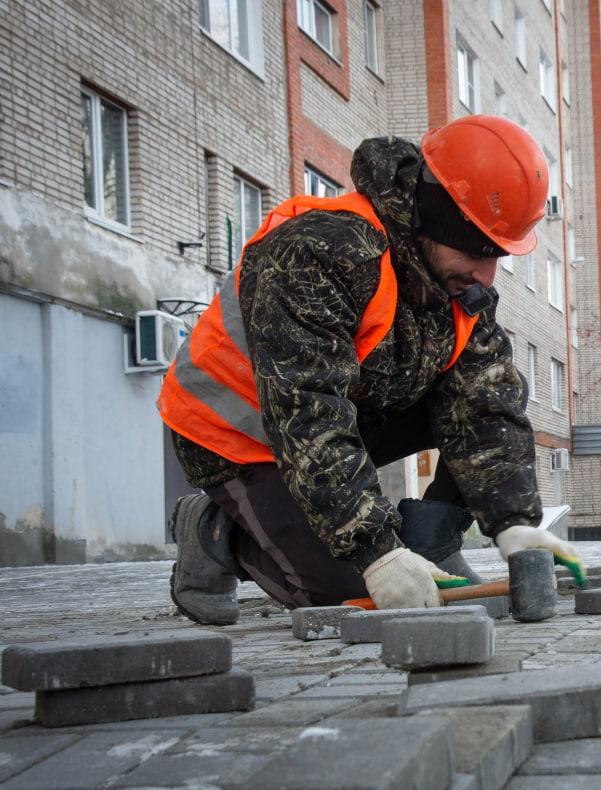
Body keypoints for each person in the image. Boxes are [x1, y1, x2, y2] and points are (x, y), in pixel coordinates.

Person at [157, 115, 579, 624]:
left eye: (498, 256)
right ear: (436, 219)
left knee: (485, 395)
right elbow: (308, 411)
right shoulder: (319, 251)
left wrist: (516, 525)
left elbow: (488, 408)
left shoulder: (457, 286)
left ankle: (428, 541)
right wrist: (376, 551)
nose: (486, 275)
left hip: (341, 413)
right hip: (235, 432)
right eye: (476, 251)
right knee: (348, 590)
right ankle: (215, 532)